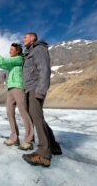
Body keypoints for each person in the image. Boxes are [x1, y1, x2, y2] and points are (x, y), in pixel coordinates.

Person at [21, 33, 62, 167]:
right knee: (38, 117)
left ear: (33, 38)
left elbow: (45, 70)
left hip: (35, 88)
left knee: (36, 118)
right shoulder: (30, 52)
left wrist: (40, 90)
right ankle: (54, 146)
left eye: (26, 37)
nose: (24, 39)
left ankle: (43, 154)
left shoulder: (39, 49)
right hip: (30, 88)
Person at [0, 43, 34, 150]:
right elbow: (0, 64)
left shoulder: (19, 59)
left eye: (11, 49)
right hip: (10, 89)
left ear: (17, 51)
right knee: (9, 113)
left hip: (18, 87)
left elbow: (3, 61)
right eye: (9, 49)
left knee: (24, 113)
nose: (9, 51)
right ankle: (14, 137)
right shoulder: (13, 62)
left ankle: (29, 140)